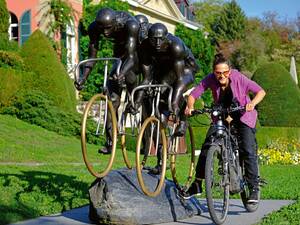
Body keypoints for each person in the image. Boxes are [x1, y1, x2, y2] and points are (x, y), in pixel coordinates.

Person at [182, 53, 266, 203]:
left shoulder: (239, 78)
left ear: (230, 70)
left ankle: (253, 188)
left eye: (225, 72)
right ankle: (197, 184)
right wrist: (190, 106)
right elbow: (194, 94)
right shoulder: (210, 79)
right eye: (218, 73)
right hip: (221, 116)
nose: (222, 76)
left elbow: (260, 91)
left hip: (242, 115)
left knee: (247, 149)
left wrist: (252, 103)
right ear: (214, 72)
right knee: (207, 146)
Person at [133, 23, 199, 173]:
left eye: (160, 40)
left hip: (185, 69)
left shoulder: (175, 46)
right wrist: (136, 101)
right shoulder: (144, 46)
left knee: (174, 95)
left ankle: (183, 120)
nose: (157, 44)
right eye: (153, 40)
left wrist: (174, 102)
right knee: (159, 118)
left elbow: (180, 78)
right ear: (148, 38)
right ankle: (161, 160)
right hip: (163, 69)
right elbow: (147, 77)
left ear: (166, 37)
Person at [74, 7, 140, 154]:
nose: (105, 33)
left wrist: (123, 73)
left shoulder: (130, 24)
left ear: (116, 22)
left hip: (135, 53)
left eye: (108, 28)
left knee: (128, 74)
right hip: (119, 55)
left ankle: (135, 99)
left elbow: (130, 57)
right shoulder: (94, 28)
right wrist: (83, 77)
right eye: (102, 29)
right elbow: (92, 57)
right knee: (111, 100)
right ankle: (110, 141)